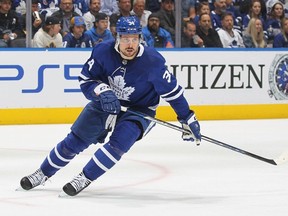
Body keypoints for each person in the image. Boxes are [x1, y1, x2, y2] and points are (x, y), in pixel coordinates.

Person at [19, 16, 201, 197]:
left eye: (134, 39)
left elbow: (173, 94)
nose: (130, 45)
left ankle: (85, 177)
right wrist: (102, 91)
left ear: (140, 38)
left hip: (140, 109)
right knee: (76, 140)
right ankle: (42, 173)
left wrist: (187, 117)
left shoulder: (153, 61)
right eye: (126, 39)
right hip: (106, 102)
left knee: (119, 144)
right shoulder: (102, 51)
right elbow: (86, 79)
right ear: (117, 37)